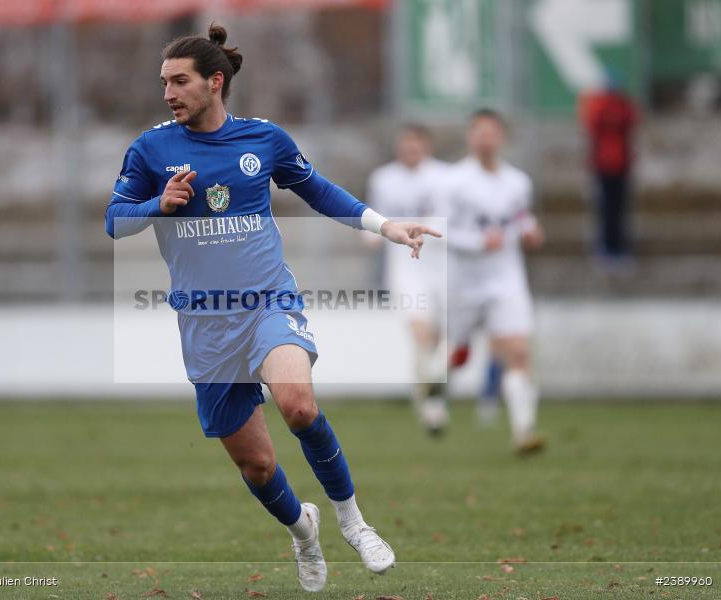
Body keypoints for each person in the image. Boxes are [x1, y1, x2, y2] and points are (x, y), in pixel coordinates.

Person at [105, 25, 441, 592]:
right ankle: (303, 531)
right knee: (257, 466)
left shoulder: (264, 141)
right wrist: (157, 205)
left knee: (299, 405)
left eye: (179, 82)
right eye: (163, 83)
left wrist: (385, 226)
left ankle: (353, 522)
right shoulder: (150, 149)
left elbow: (320, 191)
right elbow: (116, 222)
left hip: (267, 301)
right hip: (205, 322)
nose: (168, 93)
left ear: (215, 82)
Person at [442, 109, 546, 454]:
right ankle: (434, 392)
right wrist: (477, 242)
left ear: (501, 137)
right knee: (457, 356)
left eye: (492, 132)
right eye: (479, 132)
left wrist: (529, 230)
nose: (486, 138)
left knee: (517, 351)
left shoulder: (518, 182)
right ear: (470, 137)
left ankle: (523, 430)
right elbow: (440, 231)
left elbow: (518, 217)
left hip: (506, 280)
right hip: (464, 284)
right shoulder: (453, 181)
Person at [364, 124, 450, 434]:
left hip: (440, 265)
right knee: (421, 335)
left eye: (416, 145)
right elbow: (376, 220)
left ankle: (432, 397)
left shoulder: (444, 177)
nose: (410, 151)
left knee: (439, 341)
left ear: (426, 146)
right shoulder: (384, 179)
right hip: (404, 266)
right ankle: (430, 408)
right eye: (405, 145)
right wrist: (372, 234)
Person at [579, 72, 638, 273]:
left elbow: (632, 121)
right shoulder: (601, 106)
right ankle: (606, 247)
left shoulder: (621, 106)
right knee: (606, 209)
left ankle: (618, 247)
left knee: (618, 209)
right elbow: (591, 123)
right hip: (604, 166)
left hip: (619, 165)